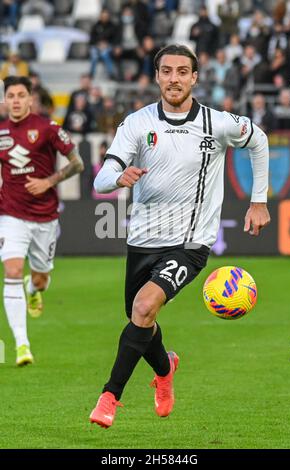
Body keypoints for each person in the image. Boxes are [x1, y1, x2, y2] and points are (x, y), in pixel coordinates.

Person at [90, 44, 270, 428]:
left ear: (194, 78)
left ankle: (109, 397)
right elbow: (102, 176)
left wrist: (258, 200)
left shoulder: (217, 123)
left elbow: (259, 140)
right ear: (157, 76)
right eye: (167, 71)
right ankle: (165, 368)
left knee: (142, 308)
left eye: (182, 71)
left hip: (189, 243)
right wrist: (117, 178)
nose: (174, 78)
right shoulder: (136, 123)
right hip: (142, 239)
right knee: (142, 319)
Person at [0, 76, 84, 366]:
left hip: (45, 217)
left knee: (41, 276)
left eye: (21, 95)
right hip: (10, 214)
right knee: (11, 269)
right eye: (10, 95)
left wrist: (49, 181)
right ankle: (22, 345)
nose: (16, 100)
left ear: (30, 98)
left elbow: (77, 163)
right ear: (5, 99)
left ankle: (34, 289)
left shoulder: (48, 129)